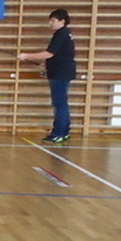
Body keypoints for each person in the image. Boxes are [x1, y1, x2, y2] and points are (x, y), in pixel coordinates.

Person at [18, 8, 77, 144]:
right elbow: (59, 54)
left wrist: (26, 56)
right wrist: (47, 64)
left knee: (60, 103)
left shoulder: (62, 34)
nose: (50, 23)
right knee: (61, 103)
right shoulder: (64, 34)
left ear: (62, 21)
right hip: (61, 71)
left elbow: (49, 53)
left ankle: (59, 133)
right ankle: (64, 132)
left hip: (60, 73)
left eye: (53, 20)